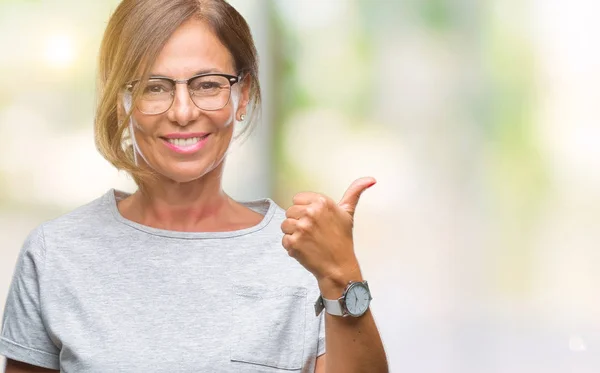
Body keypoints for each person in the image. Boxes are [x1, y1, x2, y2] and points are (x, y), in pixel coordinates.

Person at [0, 0, 388, 372]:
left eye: (207, 85)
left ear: (243, 95)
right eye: (155, 86)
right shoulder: (55, 254)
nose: (183, 112)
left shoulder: (302, 253)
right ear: (122, 100)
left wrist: (340, 272)